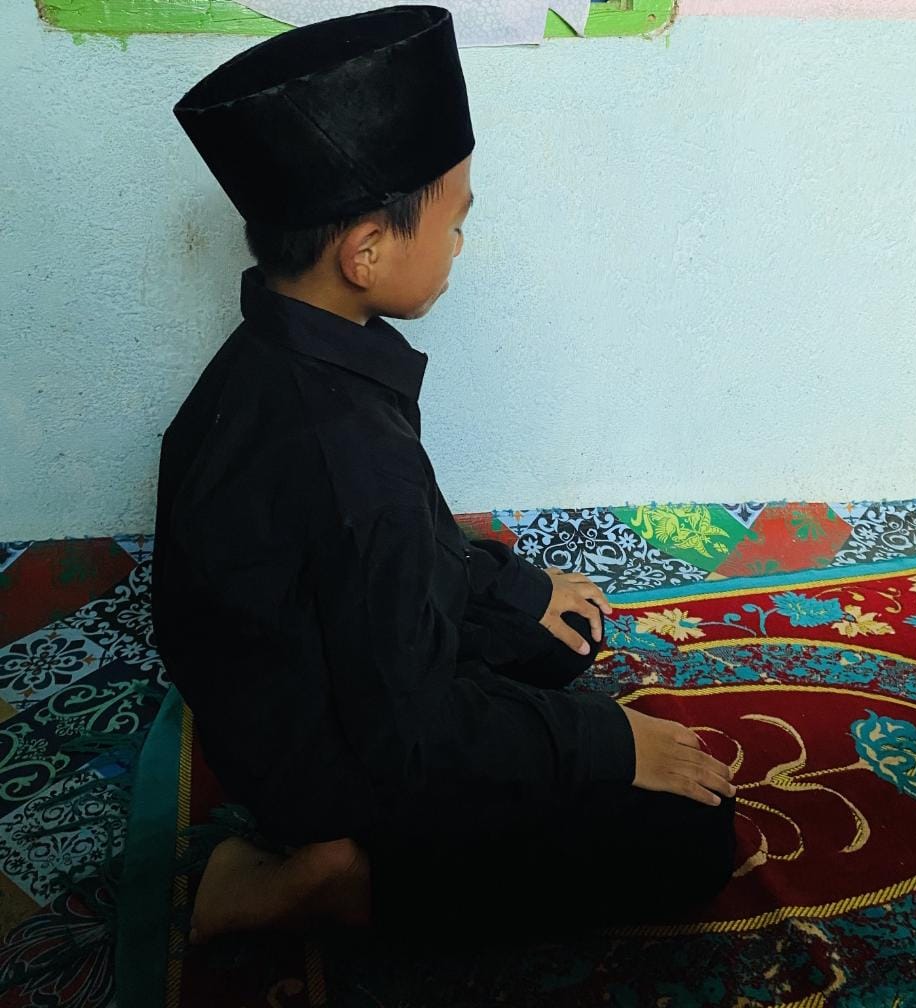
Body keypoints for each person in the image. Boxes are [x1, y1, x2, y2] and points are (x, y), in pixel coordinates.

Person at [151, 5, 736, 949]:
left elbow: (383, 559)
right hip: (337, 759)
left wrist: (514, 592)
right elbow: (409, 732)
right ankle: (325, 880)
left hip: (305, 684)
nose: (461, 244)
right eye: (454, 223)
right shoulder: (349, 454)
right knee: (691, 838)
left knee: (562, 634)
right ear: (366, 252)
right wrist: (606, 743)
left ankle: (359, 835)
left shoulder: (276, 362)